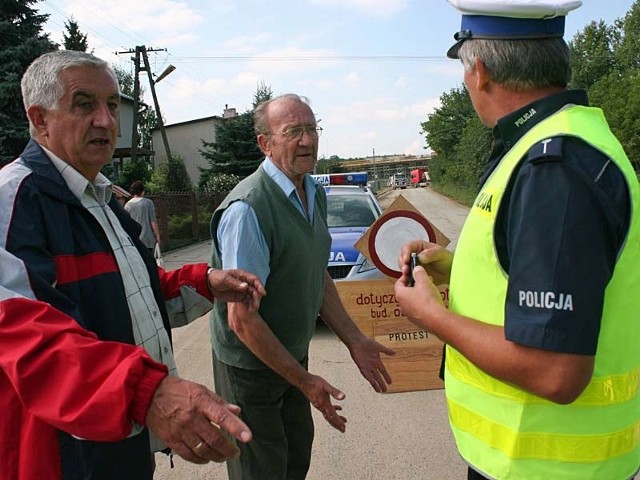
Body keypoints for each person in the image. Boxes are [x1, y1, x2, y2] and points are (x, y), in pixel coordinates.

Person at [394, 1, 640, 479]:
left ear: (480, 71)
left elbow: (556, 371)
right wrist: (454, 266)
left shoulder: (555, 169)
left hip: (546, 468)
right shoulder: (560, 144)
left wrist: (431, 316)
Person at [0, 50, 266, 480]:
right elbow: (28, 341)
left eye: (112, 104)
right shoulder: (12, 203)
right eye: (84, 104)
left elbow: (134, 290)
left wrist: (205, 282)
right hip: (61, 458)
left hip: (122, 444)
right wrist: (146, 392)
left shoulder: (104, 199)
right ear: (40, 119)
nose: (106, 121)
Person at [209, 93, 395, 480]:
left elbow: (316, 272)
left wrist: (354, 339)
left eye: (312, 129)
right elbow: (242, 320)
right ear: (266, 143)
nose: (307, 141)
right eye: (293, 132)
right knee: (260, 470)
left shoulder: (313, 191)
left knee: (295, 462)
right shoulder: (248, 209)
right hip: (251, 370)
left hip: (291, 358)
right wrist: (305, 380)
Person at [125, 180, 160, 252]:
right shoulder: (148, 203)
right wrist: (157, 235)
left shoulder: (127, 205)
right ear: (142, 190)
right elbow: (153, 221)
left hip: (134, 239)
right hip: (147, 238)